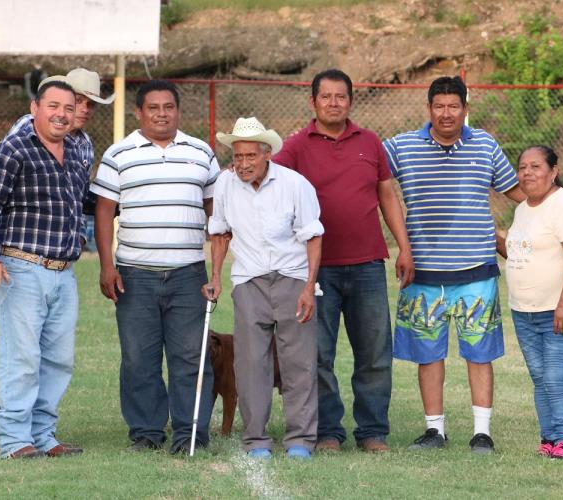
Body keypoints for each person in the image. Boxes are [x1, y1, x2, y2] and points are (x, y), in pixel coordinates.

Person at [0, 68, 114, 451]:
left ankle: (43, 436)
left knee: (58, 360)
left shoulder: (80, 147)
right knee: (21, 358)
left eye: (75, 106)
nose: (69, 112)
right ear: (36, 108)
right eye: (56, 106)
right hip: (21, 265)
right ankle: (14, 439)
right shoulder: (15, 145)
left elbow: (81, 200)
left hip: (64, 270)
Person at [382, 76, 525, 454]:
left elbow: (521, 193)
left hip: (477, 271)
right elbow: (366, 173)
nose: (447, 113)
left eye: (454, 106)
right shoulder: (402, 147)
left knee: (479, 353)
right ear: (428, 109)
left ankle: (482, 432)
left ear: (465, 108)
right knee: (428, 355)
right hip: (423, 272)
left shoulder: (486, 145)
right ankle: (435, 431)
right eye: (439, 106)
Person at [273, 69, 414, 453]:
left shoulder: (370, 142)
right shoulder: (296, 146)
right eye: (326, 96)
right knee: (317, 354)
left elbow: (387, 196)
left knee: (374, 354)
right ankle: (327, 432)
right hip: (316, 271)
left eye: (341, 96)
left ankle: (372, 431)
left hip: (368, 264)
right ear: (313, 101)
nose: (333, 103)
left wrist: (404, 246)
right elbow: (270, 189)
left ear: (351, 101)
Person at [92, 80, 220, 454]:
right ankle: (146, 432)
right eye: (153, 108)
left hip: (188, 274)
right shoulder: (118, 154)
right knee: (138, 358)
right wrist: (107, 265)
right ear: (139, 112)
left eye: (168, 107)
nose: (161, 113)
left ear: (178, 111)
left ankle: (190, 432)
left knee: (191, 357)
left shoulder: (201, 152)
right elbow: (103, 214)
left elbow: (216, 215)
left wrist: (215, 272)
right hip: (134, 274)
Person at [204, 117, 324, 459]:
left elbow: (313, 238)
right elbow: (219, 232)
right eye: (237, 156)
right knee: (249, 362)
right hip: (248, 280)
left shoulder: (295, 184)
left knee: (297, 361)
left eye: (249, 157)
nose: (242, 164)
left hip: (293, 277)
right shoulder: (225, 184)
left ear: (266, 153)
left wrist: (308, 286)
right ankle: (255, 439)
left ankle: (300, 439)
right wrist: (215, 277)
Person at [0, 67, 114, 262]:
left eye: (91, 104)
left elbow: (77, 196)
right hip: (20, 242)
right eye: (78, 101)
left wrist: (80, 234)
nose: (84, 108)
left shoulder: (85, 145)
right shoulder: (29, 125)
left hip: (58, 249)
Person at [498, 145, 563, 459]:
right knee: (540, 378)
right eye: (522, 167)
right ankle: (548, 440)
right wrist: (485, 234)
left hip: (560, 312)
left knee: (556, 377)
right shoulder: (524, 209)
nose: (527, 173)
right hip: (525, 313)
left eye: (535, 166)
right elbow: (518, 251)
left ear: (553, 171)